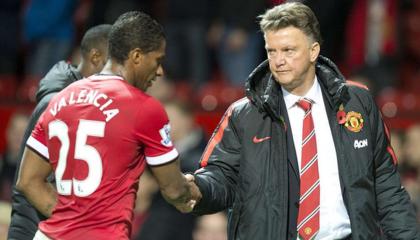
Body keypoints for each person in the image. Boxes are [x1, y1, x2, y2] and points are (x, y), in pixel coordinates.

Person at [185, 2, 420, 239]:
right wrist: (197, 188)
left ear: (313, 51)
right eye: (271, 51)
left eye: (288, 50)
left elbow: (386, 185)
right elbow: (221, 176)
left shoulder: (357, 102)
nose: (278, 61)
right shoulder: (244, 114)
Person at [16, 11, 196, 240]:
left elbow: (28, 181)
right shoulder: (144, 108)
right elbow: (173, 189)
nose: (160, 71)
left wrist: (72, 221)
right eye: (158, 60)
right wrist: (191, 193)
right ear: (137, 56)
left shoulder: (61, 98)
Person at [7, 23, 111, 240]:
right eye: (117, 63)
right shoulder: (60, 104)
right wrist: (87, 229)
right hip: (39, 231)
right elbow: (35, 184)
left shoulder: (85, 103)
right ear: (96, 58)